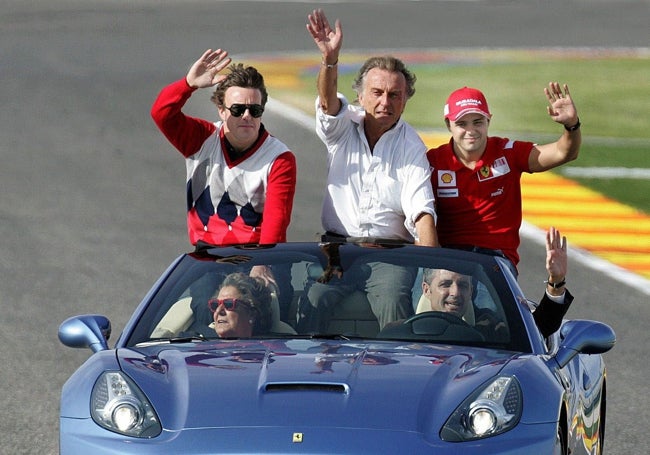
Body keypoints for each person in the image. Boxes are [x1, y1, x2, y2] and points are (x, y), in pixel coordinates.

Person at [303, 9, 438, 329]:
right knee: (311, 301)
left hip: (390, 255)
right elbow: (326, 104)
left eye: (395, 95)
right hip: (335, 250)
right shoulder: (341, 128)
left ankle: (398, 374)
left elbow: (423, 213)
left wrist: (434, 269)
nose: (385, 102)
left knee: (393, 303)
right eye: (377, 93)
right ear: (360, 96)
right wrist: (330, 60)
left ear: (406, 100)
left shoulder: (411, 146)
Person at [151, 48, 297, 315]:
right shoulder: (200, 138)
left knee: (273, 314)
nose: (247, 117)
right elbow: (161, 113)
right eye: (238, 109)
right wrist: (187, 85)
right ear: (221, 110)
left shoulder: (280, 158)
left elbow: (277, 220)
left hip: (259, 256)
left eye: (255, 110)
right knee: (202, 311)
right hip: (209, 259)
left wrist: (262, 264)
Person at [428, 84, 581, 272]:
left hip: (497, 262)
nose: (471, 130)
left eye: (477, 122)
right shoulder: (432, 162)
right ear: (448, 124)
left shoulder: (508, 152)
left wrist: (571, 125)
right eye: (461, 124)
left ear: (488, 121)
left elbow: (563, 152)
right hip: (449, 260)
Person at [418, 227, 573, 339]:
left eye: (463, 285)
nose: (455, 292)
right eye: (445, 284)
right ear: (426, 289)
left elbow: (539, 330)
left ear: (471, 291)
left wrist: (557, 280)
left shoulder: (490, 328)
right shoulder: (395, 333)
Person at [208, 272, 273, 338]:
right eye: (215, 305)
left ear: (252, 314)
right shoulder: (202, 344)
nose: (219, 310)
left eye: (229, 304)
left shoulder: (272, 347)